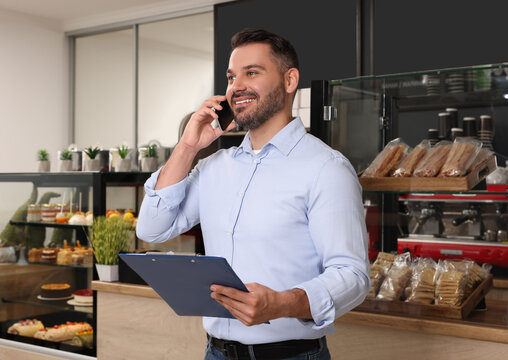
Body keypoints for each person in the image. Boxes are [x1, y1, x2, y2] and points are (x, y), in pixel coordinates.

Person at [136, 28, 370, 360]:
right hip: (216, 352)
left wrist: (282, 303)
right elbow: (151, 228)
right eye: (231, 77)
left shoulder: (326, 168)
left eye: (252, 73)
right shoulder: (215, 166)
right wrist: (188, 145)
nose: (236, 87)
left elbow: (352, 276)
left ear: (290, 81)